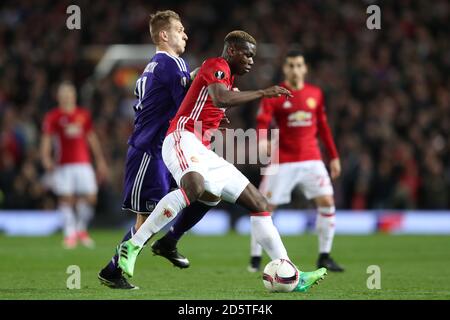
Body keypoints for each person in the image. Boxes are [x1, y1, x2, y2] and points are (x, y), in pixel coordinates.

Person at [117, 30, 328, 293]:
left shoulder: (227, 79)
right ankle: (134, 244)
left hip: (202, 149)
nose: (251, 60)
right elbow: (220, 98)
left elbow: (213, 101)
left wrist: (217, 113)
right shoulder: (215, 65)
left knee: (258, 202)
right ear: (231, 51)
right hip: (181, 137)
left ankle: (291, 273)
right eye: (247, 54)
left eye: (253, 56)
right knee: (194, 187)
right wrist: (263, 92)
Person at [98, 10, 212, 290]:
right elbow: (187, 106)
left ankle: (156, 248)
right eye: (180, 29)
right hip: (150, 149)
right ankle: (116, 268)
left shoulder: (156, 65)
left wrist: (197, 76)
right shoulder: (172, 63)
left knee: (172, 206)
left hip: (158, 149)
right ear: (164, 35)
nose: (185, 34)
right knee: (148, 217)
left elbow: (179, 93)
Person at [248, 50, 344, 273]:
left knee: (327, 202)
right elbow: (262, 120)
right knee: (264, 208)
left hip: (312, 159)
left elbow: (323, 127)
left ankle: (324, 256)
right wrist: (262, 139)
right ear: (285, 69)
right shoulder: (277, 94)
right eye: (290, 65)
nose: (294, 69)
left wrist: (334, 156)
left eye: (298, 65)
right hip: (284, 161)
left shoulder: (315, 94)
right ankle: (255, 259)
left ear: (305, 68)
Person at [41, 81, 108, 249]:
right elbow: (47, 139)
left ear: (74, 96)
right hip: (63, 164)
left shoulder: (83, 115)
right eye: (63, 95)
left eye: (69, 94)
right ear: (58, 97)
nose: (66, 97)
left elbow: (91, 138)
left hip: (83, 163)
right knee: (66, 198)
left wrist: (100, 160)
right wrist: (46, 157)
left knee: (91, 197)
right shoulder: (53, 117)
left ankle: (81, 229)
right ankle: (70, 233)